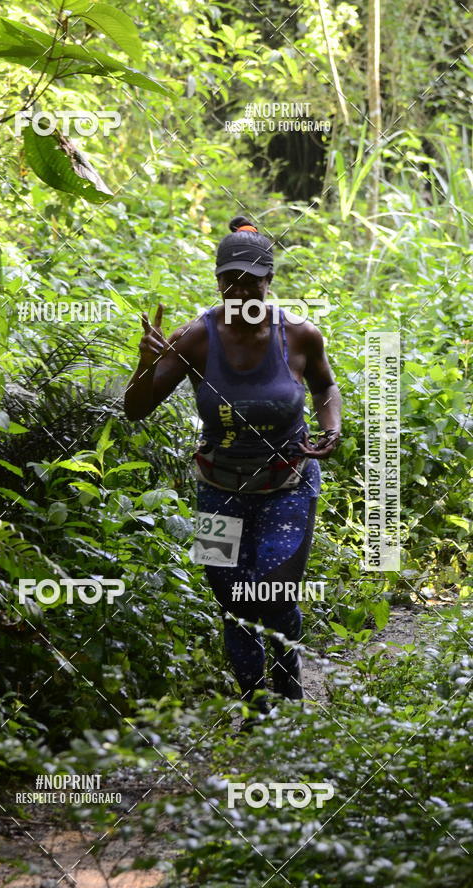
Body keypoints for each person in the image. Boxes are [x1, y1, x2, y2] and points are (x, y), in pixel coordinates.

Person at [124, 215, 341, 724]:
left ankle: (290, 698)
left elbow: (325, 388)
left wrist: (331, 427)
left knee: (273, 587)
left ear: (270, 282)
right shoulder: (197, 338)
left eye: (253, 279)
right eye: (231, 280)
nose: (241, 289)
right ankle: (256, 709)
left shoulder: (300, 335)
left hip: (287, 480)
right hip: (217, 488)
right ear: (218, 281)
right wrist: (142, 362)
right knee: (230, 598)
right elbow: (136, 410)